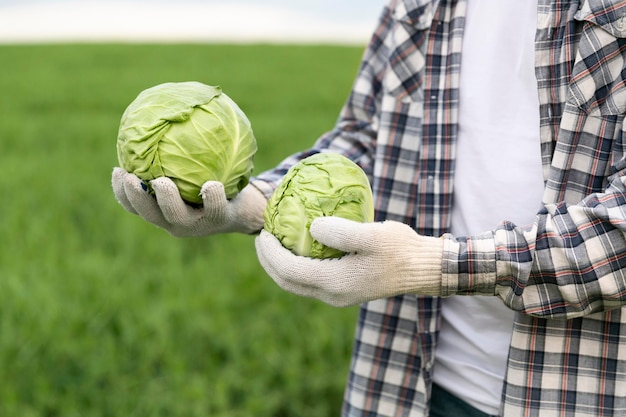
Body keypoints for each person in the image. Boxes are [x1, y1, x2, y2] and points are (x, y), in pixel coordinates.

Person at [112, 0, 626, 415]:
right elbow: (366, 135)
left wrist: (429, 264)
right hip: (403, 382)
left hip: (573, 391)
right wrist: (255, 201)